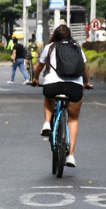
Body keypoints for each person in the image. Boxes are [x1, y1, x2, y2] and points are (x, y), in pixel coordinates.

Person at [30, 24, 93, 168]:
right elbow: (84, 69)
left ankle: (47, 123)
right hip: (74, 88)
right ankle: (71, 155)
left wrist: (35, 79)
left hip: (53, 85)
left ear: (55, 35)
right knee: (73, 119)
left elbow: (39, 66)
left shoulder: (50, 47)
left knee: (48, 97)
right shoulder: (77, 47)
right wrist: (87, 83)